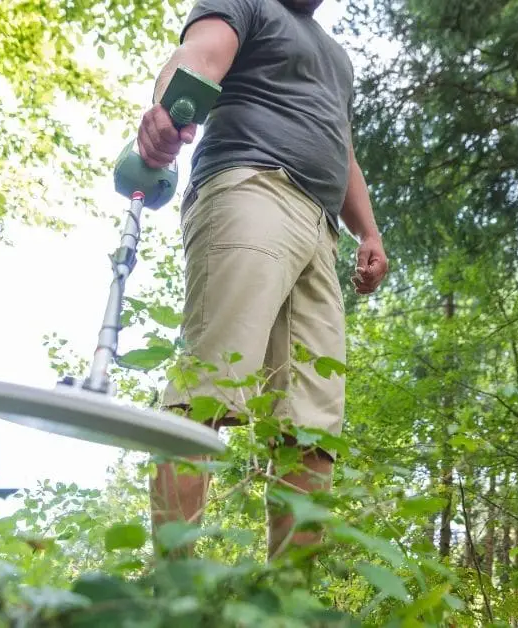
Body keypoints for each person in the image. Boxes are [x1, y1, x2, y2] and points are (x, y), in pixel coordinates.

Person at [138, 0, 388, 561]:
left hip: (321, 232)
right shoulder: (248, 3)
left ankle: (288, 608)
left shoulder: (336, 57)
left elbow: (340, 144)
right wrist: (168, 110)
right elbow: (201, 55)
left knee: (311, 426)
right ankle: (175, 595)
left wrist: (368, 232)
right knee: (211, 383)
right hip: (252, 185)